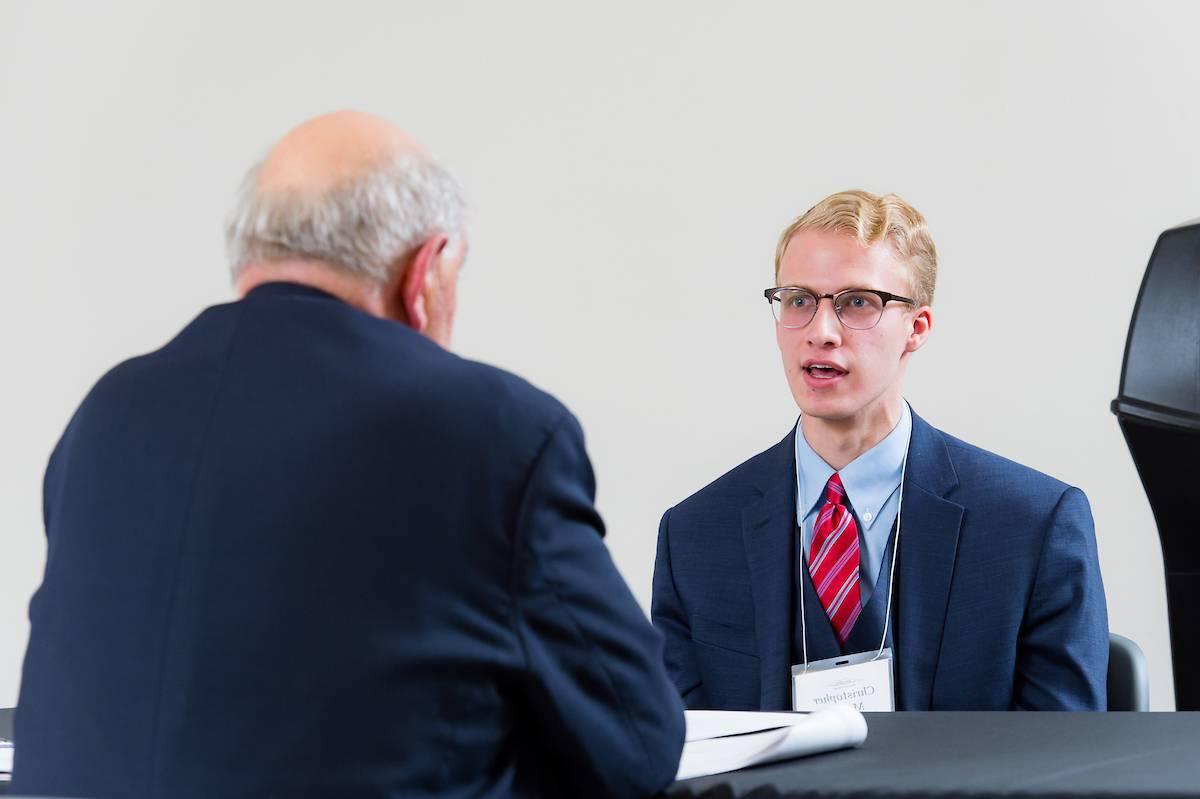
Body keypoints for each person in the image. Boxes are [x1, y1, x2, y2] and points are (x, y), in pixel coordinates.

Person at [13, 111, 684, 798]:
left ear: (251, 256)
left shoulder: (105, 415)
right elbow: (637, 743)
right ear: (426, 269)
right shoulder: (489, 426)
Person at [651, 190, 1107, 711]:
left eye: (857, 303)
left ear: (916, 329)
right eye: (799, 300)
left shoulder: (1035, 525)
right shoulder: (693, 536)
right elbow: (681, 759)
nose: (821, 332)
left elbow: (1063, 762)